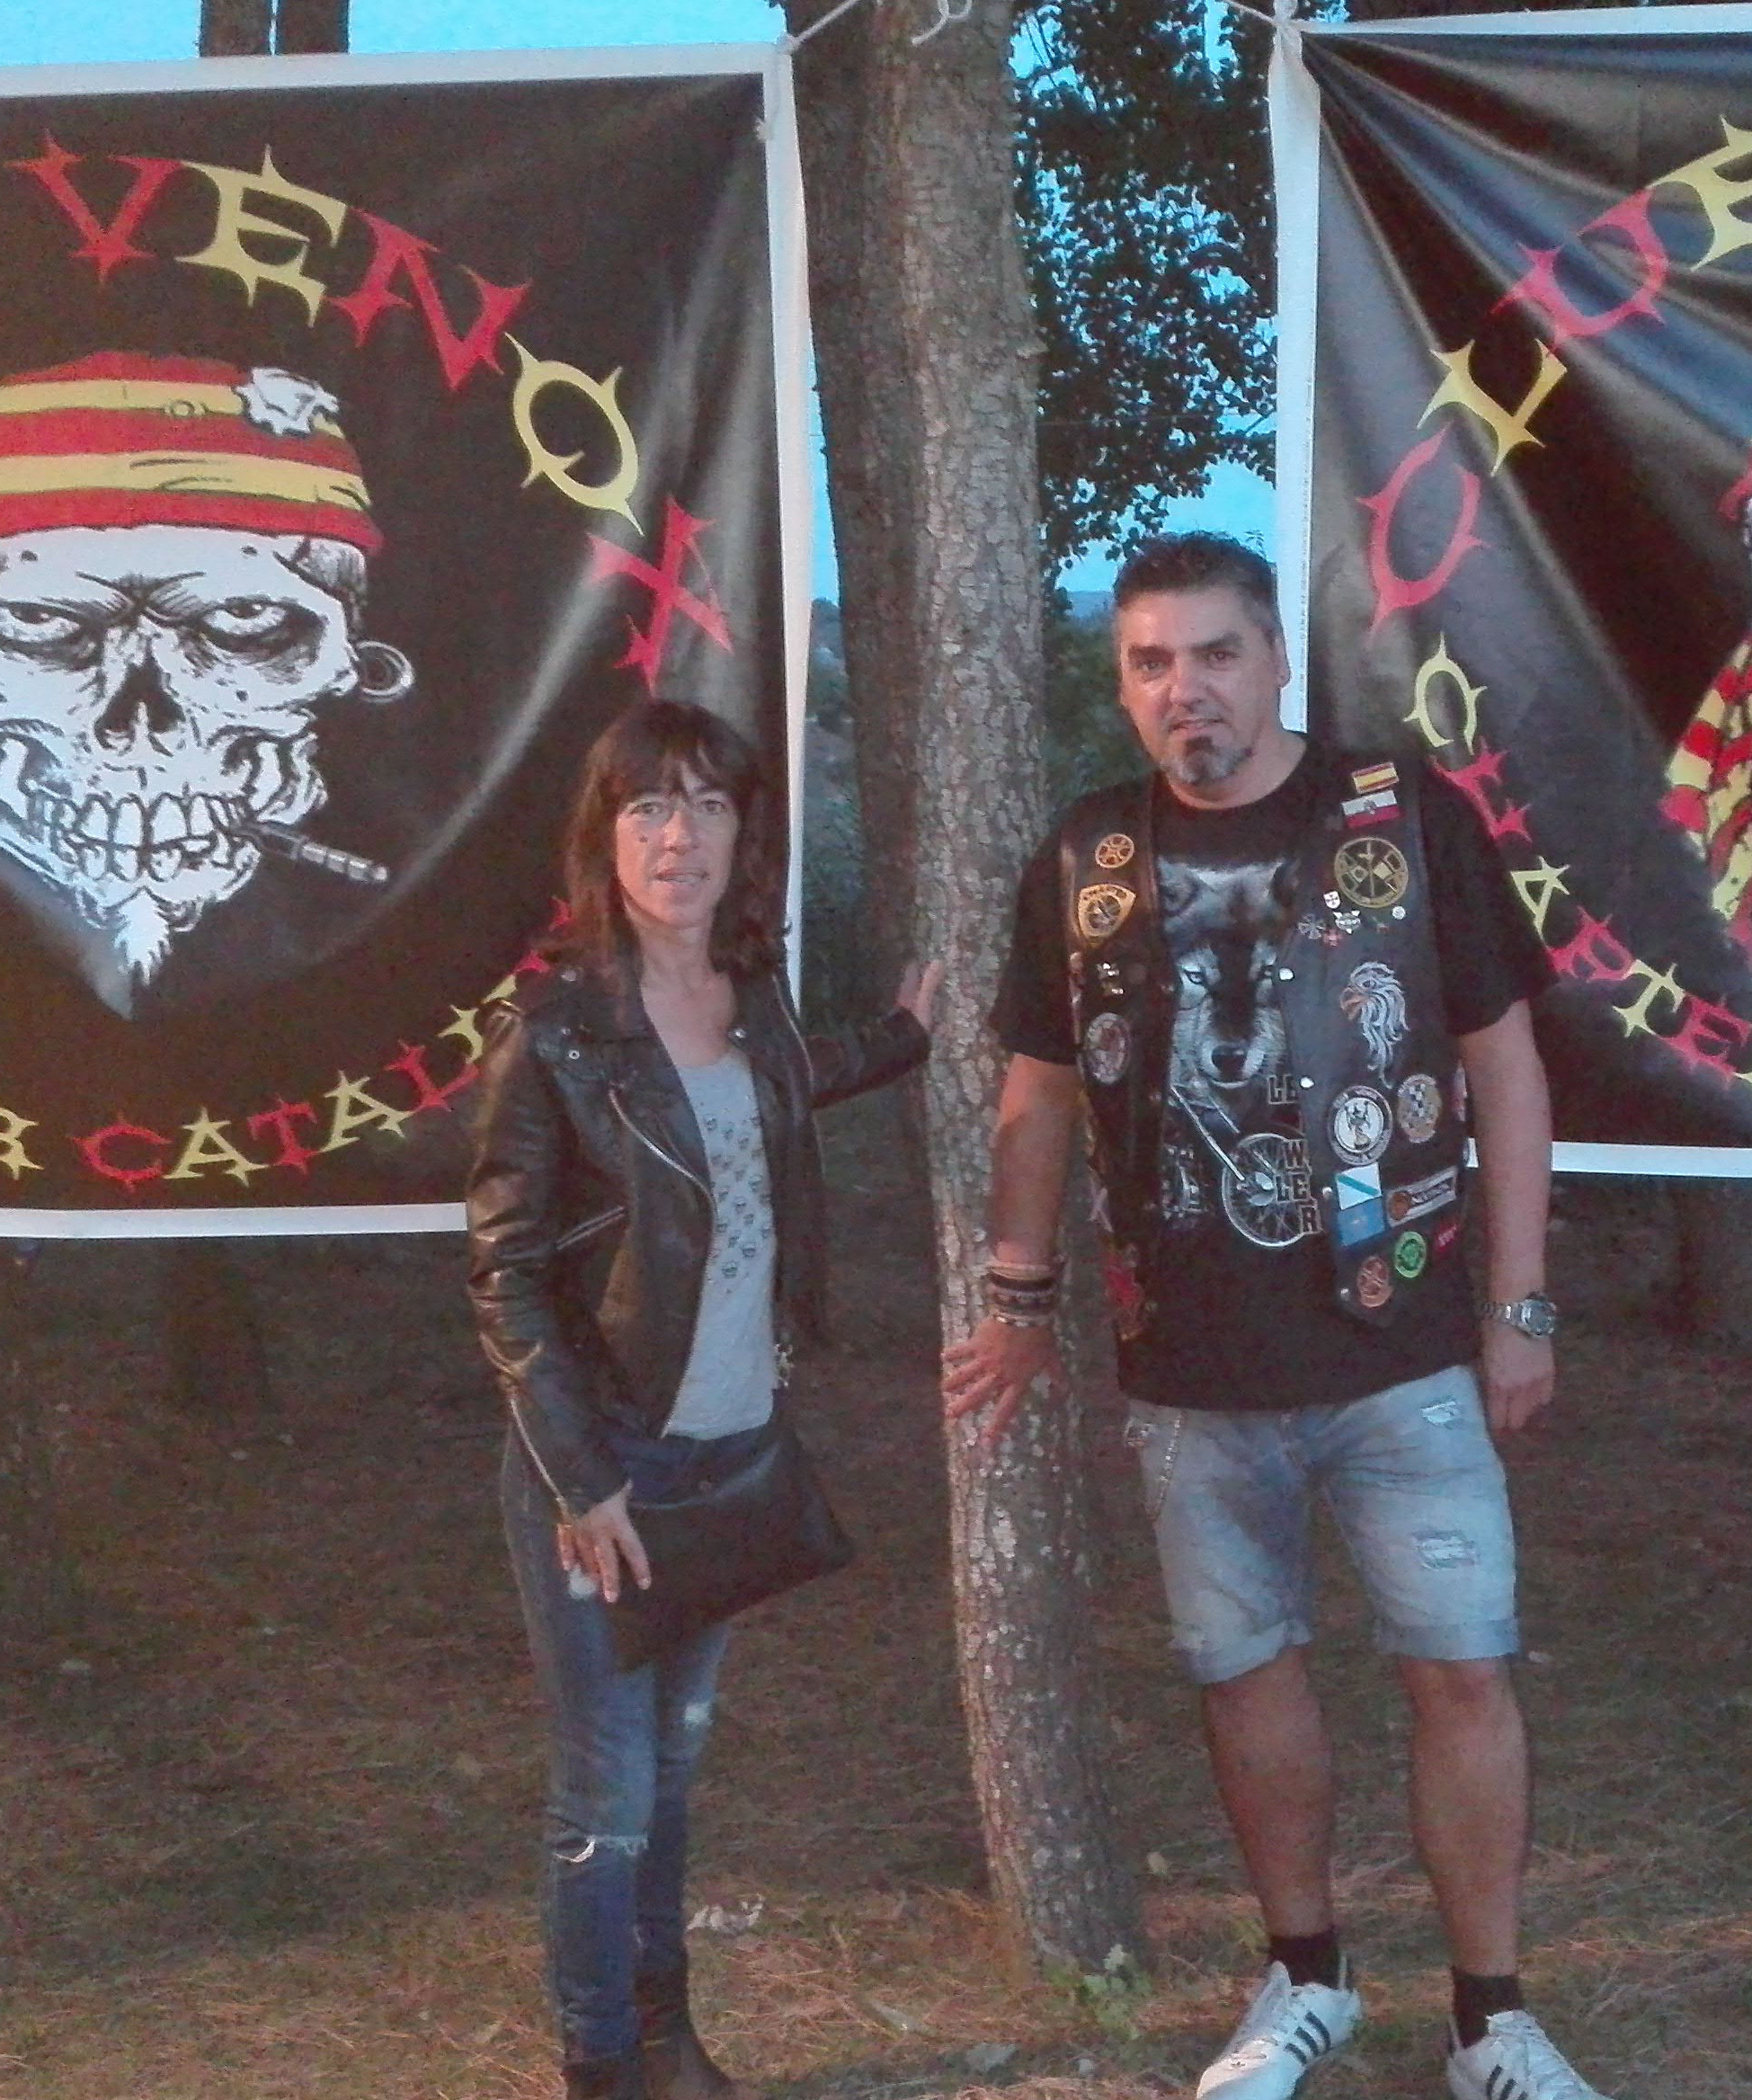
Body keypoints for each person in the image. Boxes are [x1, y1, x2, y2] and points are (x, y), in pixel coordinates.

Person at [943, 534, 1605, 2100]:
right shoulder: (1088, 854)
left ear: (1277, 661)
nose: (1188, 688)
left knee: (1462, 1669)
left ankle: (1492, 2021)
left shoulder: (1404, 816)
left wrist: (1519, 1303)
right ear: (1124, 687)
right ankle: (1305, 1978)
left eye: (1217, 653)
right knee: (1246, 1676)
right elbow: (1037, 1094)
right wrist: (1019, 1296)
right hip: (1191, 1365)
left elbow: (1506, 1066)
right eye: (1152, 663)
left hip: (1403, 1349)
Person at [467, 699, 933, 2100]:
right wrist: (579, 1480)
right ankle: (601, 2066)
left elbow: (783, 1086)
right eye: (650, 807)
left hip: (729, 1456)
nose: (681, 836)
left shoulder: (752, 1000)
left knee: (672, 1771)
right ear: (606, 839)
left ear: (744, 836)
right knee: (605, 1794)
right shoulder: (557, 1033)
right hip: (605, 1469)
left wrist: (903, 1036)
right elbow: (503, 1275)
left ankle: (665, 2037)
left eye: (710, 805)